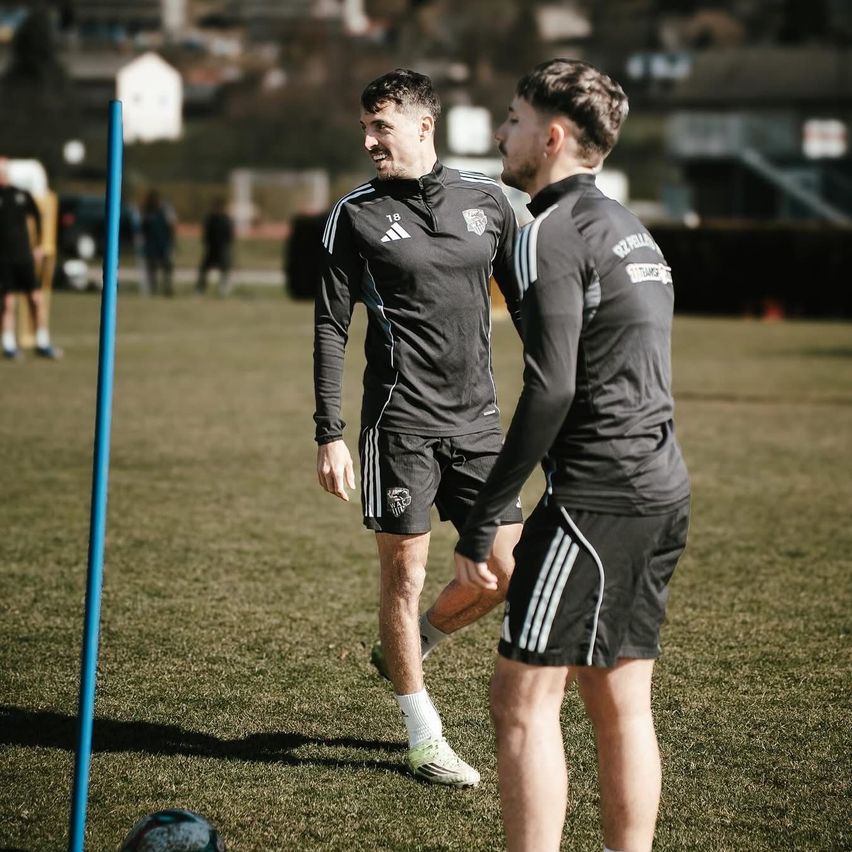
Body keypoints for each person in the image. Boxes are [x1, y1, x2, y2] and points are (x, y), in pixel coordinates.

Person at [453, 59, 691, 851]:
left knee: (520, 701)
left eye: (514, 119)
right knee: (619, 699)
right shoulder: (632, 229)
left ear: (552, 137)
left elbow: (550, 389)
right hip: (660, 489)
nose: (502, 133)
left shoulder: (547, 235)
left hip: (596, 498)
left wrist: (486, 516)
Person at [313, 68, 524, 787]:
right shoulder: (354, 215)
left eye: (383, 127)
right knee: (403, 578)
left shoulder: (488, 201)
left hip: (480, 425)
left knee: (504, 573)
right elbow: (331, 327)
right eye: (365, 128)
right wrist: (329, 432)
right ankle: (422, 734)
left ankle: (415, 643)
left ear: (424, 125)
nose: (370, 141)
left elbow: (527, 308)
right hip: (398, 426)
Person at [0, 156, 62, 360]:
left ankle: (42, 342)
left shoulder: (21, 194)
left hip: (24, 256)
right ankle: (9, 345)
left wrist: (39, 246)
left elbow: (39, 217)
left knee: (35, 299)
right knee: (8, 302)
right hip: (4, 259)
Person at [195, 197, 234, 297]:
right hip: (211, 249)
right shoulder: (210, 219)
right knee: (204, 269)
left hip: (222, 249)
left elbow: (230, 236)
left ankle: (223, 290)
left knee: (224, 270)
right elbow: (206, 234)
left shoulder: (226, 219)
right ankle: (200, 289)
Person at [140, 189, 176, 296]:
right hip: (151, 244)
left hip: (164, 243)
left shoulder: (165, 210)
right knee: (152, 267)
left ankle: (168, 287)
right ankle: (152, 288)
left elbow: (172, 225)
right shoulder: (146, 212)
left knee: (167, 266)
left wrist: (172, 241)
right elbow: (142, 228)